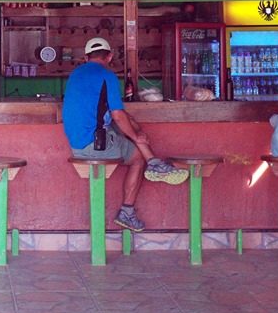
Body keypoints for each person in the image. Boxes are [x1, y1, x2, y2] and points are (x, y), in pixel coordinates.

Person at [62, 37, 189, 232]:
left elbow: (115, 115)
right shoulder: (107, 75)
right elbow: (118, 115)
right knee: (137, 157)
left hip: (79, 142)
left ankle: (154, 163)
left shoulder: (75, 74)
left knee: (129, 126)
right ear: (110, 56)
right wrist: (137, 136)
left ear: (85, 57)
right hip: (94, 145)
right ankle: (128, 210)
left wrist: (133, 128)